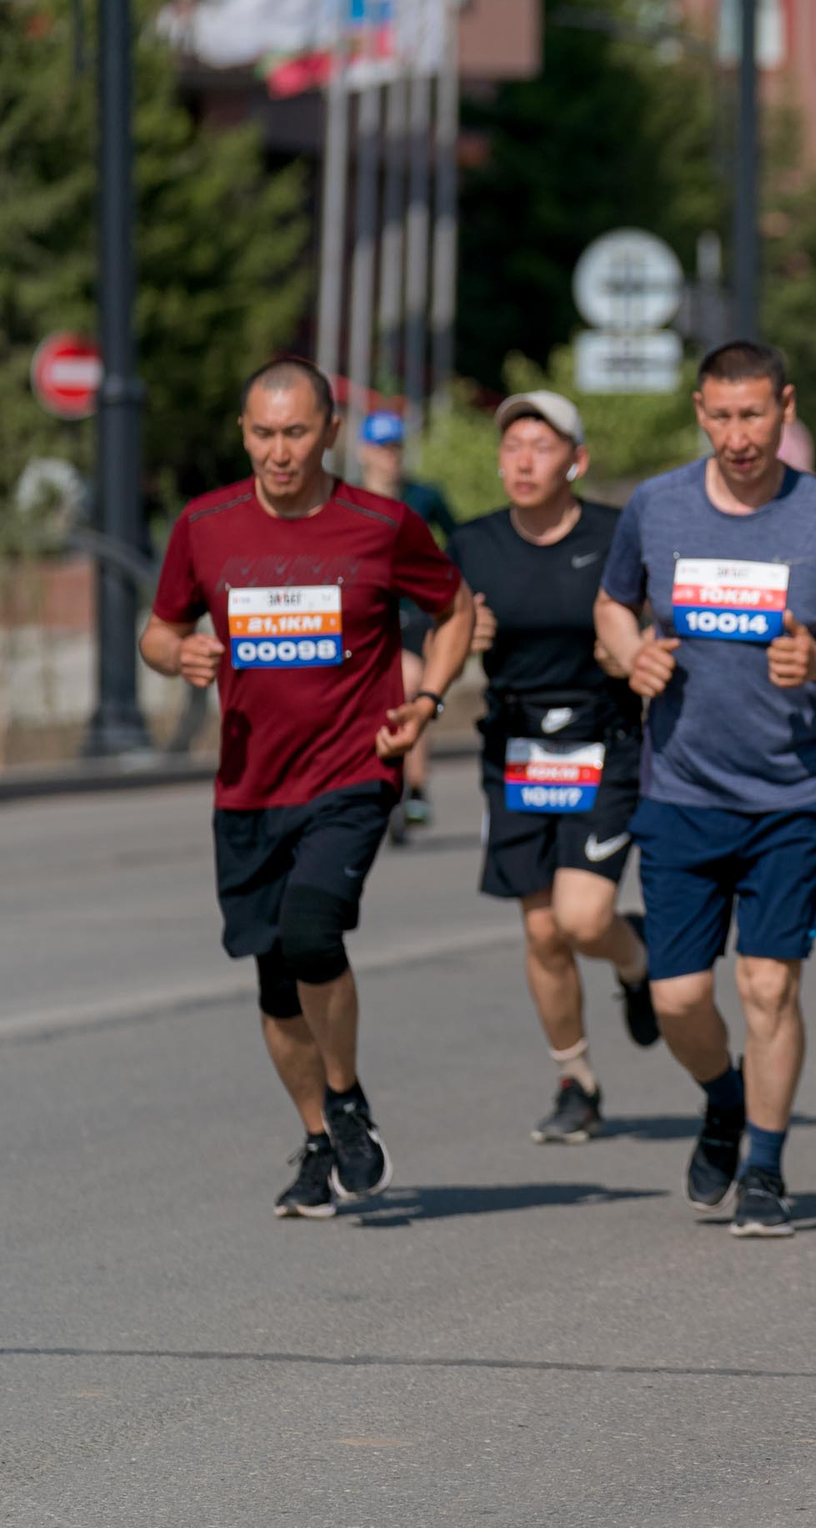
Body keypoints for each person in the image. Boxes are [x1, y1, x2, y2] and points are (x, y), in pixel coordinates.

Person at [141, 359, 474, 1216]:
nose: (278, 452)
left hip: (352, 771)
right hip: (249, 785)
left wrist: (428, 702)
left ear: (329, 430)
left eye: (295, 432)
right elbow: (160, 628)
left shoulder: (382, 523)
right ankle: (321, 1138)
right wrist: (179, 654)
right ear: (243, 432)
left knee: (312, 931)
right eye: (262, 433)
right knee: (275, 982)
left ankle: (347, 1096)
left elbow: (456, 609)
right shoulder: (205, 524)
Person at [595, 342, 816, 1238]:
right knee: (679, 999)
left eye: (754, 415)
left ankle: (764, 1166)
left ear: (785, 408)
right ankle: (724, 1099)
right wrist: (631, 653)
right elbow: (613, 603)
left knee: (768, 986)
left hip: (792, 795)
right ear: (700, 412)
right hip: (681, 789)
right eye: (722, 417)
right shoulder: (657, 505)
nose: (738, 437)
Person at [450, 391, 657, 1145]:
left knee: (584, 918)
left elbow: (656, 622)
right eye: (512, 447)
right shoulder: (471, 544)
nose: (524, 461)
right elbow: (427, 636)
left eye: (542, 446)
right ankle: (576, 1081)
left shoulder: (617, 534)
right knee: (542, 932)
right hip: (516, 745)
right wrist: (461, 637)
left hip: (604, 739)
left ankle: (635, 960)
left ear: (577, 460)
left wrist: (630, 650)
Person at [358, 410, 459, 841]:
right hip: (362, 618)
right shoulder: (344, 500)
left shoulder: (423, 497)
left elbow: (460, 540)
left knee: (410, 684)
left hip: (412, 615)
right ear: (364, 452)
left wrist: (448, 588)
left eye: (396, 447)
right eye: (382, 448)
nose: (390, 456)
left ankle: (415, 787)